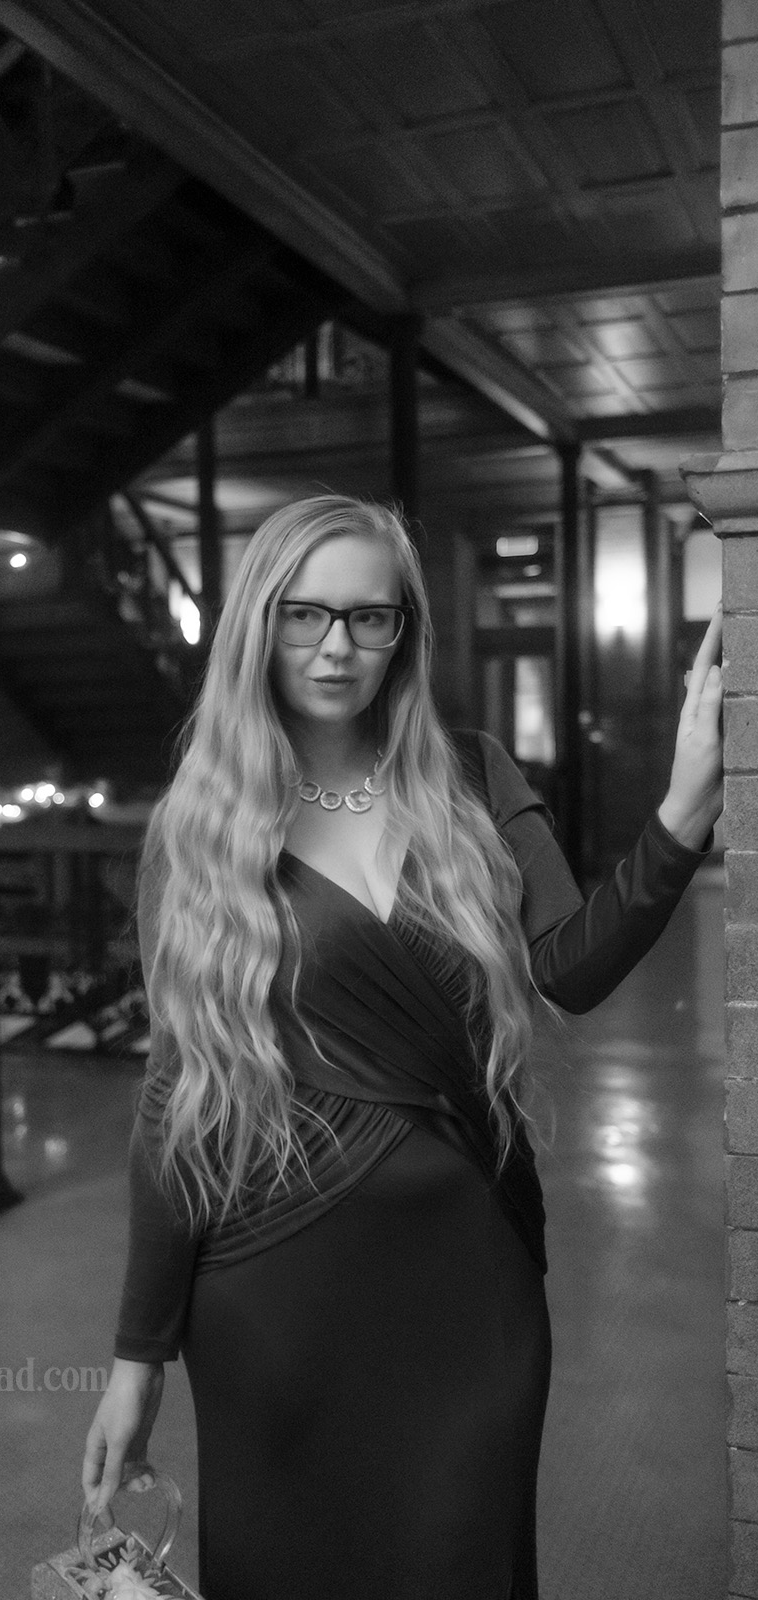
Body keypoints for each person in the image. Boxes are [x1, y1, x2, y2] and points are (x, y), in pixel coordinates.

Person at [81, 495, 723, 1599]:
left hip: (470, 1284)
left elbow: (568, 969)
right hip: (273, 1297)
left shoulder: (472, 776)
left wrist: (681, 811)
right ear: (258, 623)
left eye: (368, 617)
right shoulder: (200, 825)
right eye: (304, 614)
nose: (335, 647)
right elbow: (174, 1095)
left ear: (404, 633)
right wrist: (137, 1358)